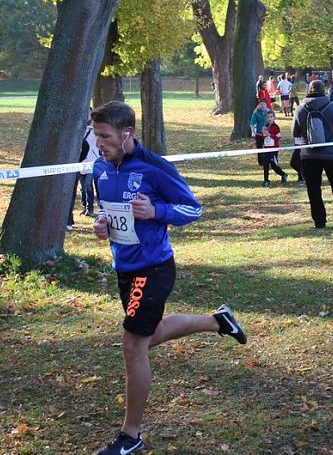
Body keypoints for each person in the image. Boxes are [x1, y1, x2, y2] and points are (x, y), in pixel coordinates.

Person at [90, 101, 247, 455]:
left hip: (154, 267)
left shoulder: (155, 168)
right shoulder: (101, 167)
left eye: (105, 136)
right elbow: (109, 213)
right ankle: (217, 321)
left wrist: (156, 211)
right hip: (124, 268)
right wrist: (102, 225)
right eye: (96, 135)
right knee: (147, 335)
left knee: (133, 345)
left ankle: (130, 436)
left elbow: (193, 208)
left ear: (126, 133)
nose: (99, 143)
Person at [292, 79, 333, 228]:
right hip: (332, 155)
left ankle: (319, 221)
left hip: (309, 154)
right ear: (324, 90)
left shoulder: (300, 109)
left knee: (313, 188)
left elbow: (295, 132)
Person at [78, 112, 100, 216]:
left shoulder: (95, 129)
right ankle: (84, 207)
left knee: (87, 185)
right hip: (80, 161)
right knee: (82, 187)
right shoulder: (78, 129)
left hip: (92, 161)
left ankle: (90, 208)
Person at [260, 110, 288, 186]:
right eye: (268, 117)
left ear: (274, 118)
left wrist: (269, 134)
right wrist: (263, 133)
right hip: (266, 149)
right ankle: (266, 180)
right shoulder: (265, 126)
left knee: (274, 165)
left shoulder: (276, 127)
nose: (269, 118)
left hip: (274, 149)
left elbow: (277, 138)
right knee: (265, 165)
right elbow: (263, 137)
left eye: (271, 117)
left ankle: (283, 174)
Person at [250, 99, 269, 167]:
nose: (262, 105)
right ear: (258, 105)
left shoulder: (268, 112)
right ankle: (261, 162)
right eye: (261, 104)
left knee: (267, 147)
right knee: (259, 147)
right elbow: (252, 122)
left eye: (264, 104)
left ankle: (268, 160)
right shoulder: (256, 113)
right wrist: (254, 129)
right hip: (259, 133)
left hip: (267, 133)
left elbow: (271, 121)